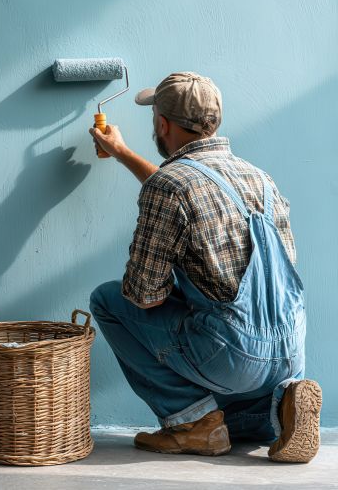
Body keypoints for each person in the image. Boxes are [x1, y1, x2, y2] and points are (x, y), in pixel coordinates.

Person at [88, 72, 321, 462]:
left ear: (162, 124)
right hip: (288, 350)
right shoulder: (259, 178)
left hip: (233, 355)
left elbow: (143, 296)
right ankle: (278, 408)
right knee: (234, 398)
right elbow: (190, 194)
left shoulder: (171, 187)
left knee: (109, 301)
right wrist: (124, 154)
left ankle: (191, 424)